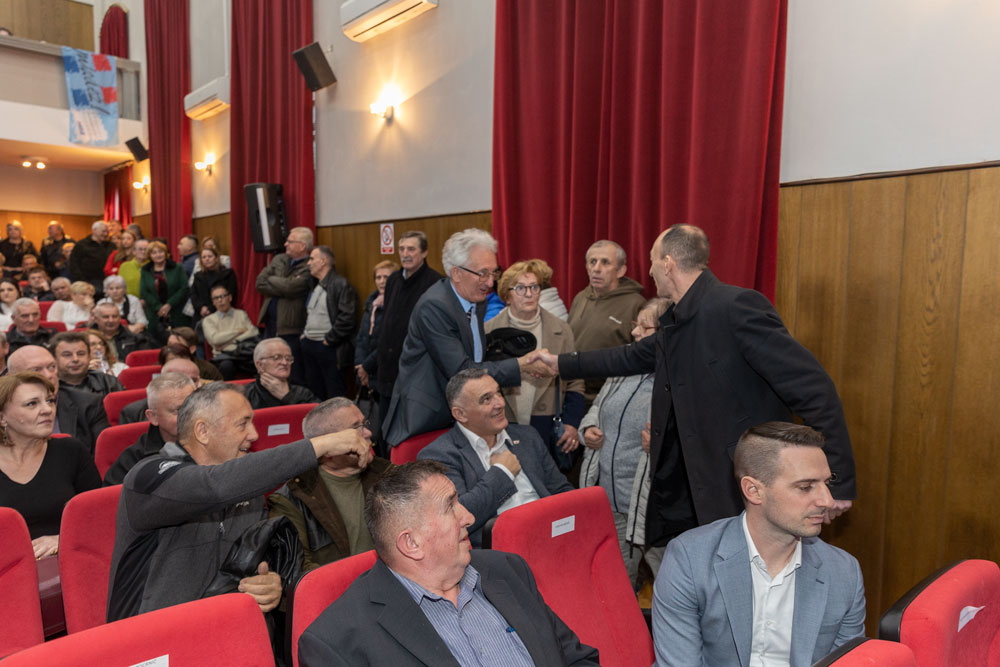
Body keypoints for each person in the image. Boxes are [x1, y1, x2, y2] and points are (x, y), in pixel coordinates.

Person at [538, 224, 856, 548]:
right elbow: (626, 357)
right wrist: (559, 363)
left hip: (744, 487)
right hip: (694, 491)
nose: (649, 271)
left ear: (668, 264)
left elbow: (814, 391)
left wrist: (839, 482)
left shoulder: (737, 307)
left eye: (652, 261)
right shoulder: (676, 322)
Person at [105, 382, 372, 622]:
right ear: (202, 431)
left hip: (225, 630)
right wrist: (318, 446)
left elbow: (250, 567)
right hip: (150, 639)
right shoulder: (149, 477)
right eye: (242, 424)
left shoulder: (249, 491)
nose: (254, 434)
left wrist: (270, 584)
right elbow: (214, 487)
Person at [297, 460, 599, 666]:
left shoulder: (507, 570)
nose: (469, 517)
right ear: (411, 543)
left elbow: (577, 659)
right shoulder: (337, 643)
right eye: (450, 507)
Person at [651, 422, 865, 667]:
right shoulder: (690, 558)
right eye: (806, 487)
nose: (826, 500)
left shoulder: (844, 572)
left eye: (827, 483)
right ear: (753, 490)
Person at [382, 229, 548, 447]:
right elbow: (462, 371)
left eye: (493, 273)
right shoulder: (434, 306)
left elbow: (474, 355)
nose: (490, 282)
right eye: (483, 273)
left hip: (459, 415)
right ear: (456, 273)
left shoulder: (476, 300)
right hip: (426, 419)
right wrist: (520, 365)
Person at [417, 368, 573, 546]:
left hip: (551, 534)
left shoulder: (527, 436)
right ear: (460, 414)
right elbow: (457, 517)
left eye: (498, 393)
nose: (500, 403)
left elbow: (562, 490)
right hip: (500, 548)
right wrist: (503, 472)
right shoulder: (439, 455)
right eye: (486, 399)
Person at [579, 297, 669, 587]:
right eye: (635, 325)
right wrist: (588, 428)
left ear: (666, 332)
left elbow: (689, 438)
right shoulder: (624, 365)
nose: (634, 332)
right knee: (618, 584)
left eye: (644, 327)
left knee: (672, 584)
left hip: (650, 509)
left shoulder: (675, 377)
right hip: (611, 502)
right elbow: (598, 405)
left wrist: (660, 445)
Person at [268, 397, 392, 572]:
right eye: (356, 428)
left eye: (365, 424)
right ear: (327, 446)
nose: (368, 432)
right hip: (339, 587)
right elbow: (297, 569)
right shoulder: (292, 499)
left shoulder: (389, 473)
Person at [486, 259, 586, 467]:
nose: (529, 294)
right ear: (507, 295)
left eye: (534, 287)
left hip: (546, 422)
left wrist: (571, 423)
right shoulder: (489, 331)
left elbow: (575, 381)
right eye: (520, 288)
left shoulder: (561, 329)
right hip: (504, 422)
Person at [0, 372, 100, 558]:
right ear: (2, 417)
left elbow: (99, 518)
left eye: (50, 401)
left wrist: (62, 539)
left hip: (70, 559)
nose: (48, 409)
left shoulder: (71, 451)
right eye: (32, 404)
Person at [566, 240, 647, 404]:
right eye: (592, 262)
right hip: (573, 394)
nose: (596, 268)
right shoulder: (581, 298)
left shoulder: (636, 305)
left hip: (609, 399)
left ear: (620, 271)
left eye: (605, 262)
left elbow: (642, 357)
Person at [374, 231, 443, 422]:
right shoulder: (393, 280)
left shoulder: (435, 283)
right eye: (402, 249)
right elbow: (387, 323)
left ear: (424, 252)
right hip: (387, 369)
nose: (405, 254)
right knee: (385, 427)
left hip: (415, 371)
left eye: (411, 249)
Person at [7, 346, 110, 454]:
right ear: (12, 377)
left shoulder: (88, 404)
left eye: (52, 367)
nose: (48, 375)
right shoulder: (5, 410)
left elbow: (102, 456)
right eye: (36, 370)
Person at [103, 372, 197, 486]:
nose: (190, 415)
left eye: (193, 407)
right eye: (178, 410)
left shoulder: (214, 440)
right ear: (153, 417)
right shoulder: (133, 460)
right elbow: (113, 494)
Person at [256, 226, 313, 386]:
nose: (285, 244)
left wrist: (273, 280)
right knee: (267, 369)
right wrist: (284, 285)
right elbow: (260, 283)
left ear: (302, 246)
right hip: (270, 325)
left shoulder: (309, 265)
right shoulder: (279, 259)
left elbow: (291, 288)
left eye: (290, 241)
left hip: (291, 328)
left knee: (293, 374)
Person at [300, 245, 357, 400]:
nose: (308, 263)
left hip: (328, 347)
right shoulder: (315, 284)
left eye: (312, 259)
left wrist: (329, 340)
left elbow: (347, 318)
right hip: (309, 344)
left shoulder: (340, 284)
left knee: (334, 394)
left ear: (323, 261)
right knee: (315, 393)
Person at [354, 260, 398, 401]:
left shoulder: (397, 306)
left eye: (386, 277)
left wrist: (367, 366)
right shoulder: (371, 304)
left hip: (386, 372)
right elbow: (361, 337)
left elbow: (389, 343)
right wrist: (360, 366)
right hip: (365, 371)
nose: (382, 281)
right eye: (378, 277)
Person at [118, 358, 202, 425]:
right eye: (178, 381)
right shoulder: (134, 412)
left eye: (193, 380)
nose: (188, 385)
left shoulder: (207, 404)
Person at [202, 285, 260, 380]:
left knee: (261, 361)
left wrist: (232, 341)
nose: (220, 300)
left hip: (244, 353)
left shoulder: (241, 314)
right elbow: (215, 340)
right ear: (213, 302)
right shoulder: (209, 320)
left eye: (223, 296)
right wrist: (238, 331)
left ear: (230, 298)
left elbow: (254, 332)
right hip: (224, 356)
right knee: (226, 366)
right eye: (216, 298)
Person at [243, 338, 318, 409]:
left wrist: (287, 397)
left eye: (288, 358)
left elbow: (319, 416)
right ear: (260, 365)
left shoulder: (303, 393)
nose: (285, 363)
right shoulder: (244, 395)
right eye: (277, 357)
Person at [140, 240, 190, 343]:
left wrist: (169, 304)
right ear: (150, 255)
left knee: (179, 342)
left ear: (166, 253)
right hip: (155, 314)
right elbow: (144, 292)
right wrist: (159, 307)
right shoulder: (145, 270)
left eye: (160, 251)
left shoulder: (177, 267)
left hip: (176, 312)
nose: (158, 255)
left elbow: (184, 288)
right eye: (154, 253)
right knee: (155, 344)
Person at [51, 331, 124, 396]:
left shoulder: (109, 383)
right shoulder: (48, 388)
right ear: (54, 359)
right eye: (67, 355)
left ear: (89, 356)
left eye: (81, 353)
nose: (75, 359)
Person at [91, 301, 156, 361]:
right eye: (106, 317)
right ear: (96, 319)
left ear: (120, 318)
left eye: (114, 316)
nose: (111, 320)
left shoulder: (137, 339)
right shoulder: (87, 340)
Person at [189, 245, 238, 322]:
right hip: (201, 314)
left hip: (222, 314)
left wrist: (210, 309)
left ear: (216, 258)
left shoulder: (227, 273)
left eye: (210, 256)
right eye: (204, 257)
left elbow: (230, 293)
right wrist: (201, 307)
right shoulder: (198, 276)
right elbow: (193, 295)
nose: (207, 259)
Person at [69, 221, 114, 293]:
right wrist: (82, 281)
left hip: (108, 281)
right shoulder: (81, 245)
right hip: (88, 282)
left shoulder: (111, 245)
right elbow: (74, 264)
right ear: (94, 230)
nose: (106, 234)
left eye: (107, 232)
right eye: (103, 231)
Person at [158, 342, 224, 382]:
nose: (179, 363)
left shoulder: (208, 369)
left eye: (183, 359)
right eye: (172, 360)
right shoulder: (160, 383)